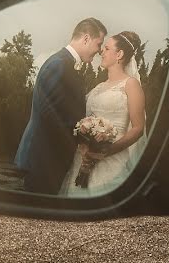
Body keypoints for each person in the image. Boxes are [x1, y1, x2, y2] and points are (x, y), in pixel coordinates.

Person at [14, 18, 107, 194]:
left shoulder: (66, 64)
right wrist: (83, 137)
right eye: (98, 43)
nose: (99, 50)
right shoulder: (59, 64)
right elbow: (48, 113)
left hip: (49, 159)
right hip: (43, 159)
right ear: (86, 38)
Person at [60, 31, 149, 197]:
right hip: (84, 159)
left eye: (107, 48)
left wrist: (105, 151)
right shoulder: (98, 88)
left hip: (113, 162)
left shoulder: (131, 85)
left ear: (119, 54)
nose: (102, 51)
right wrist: (85, 143)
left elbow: (138, 129)